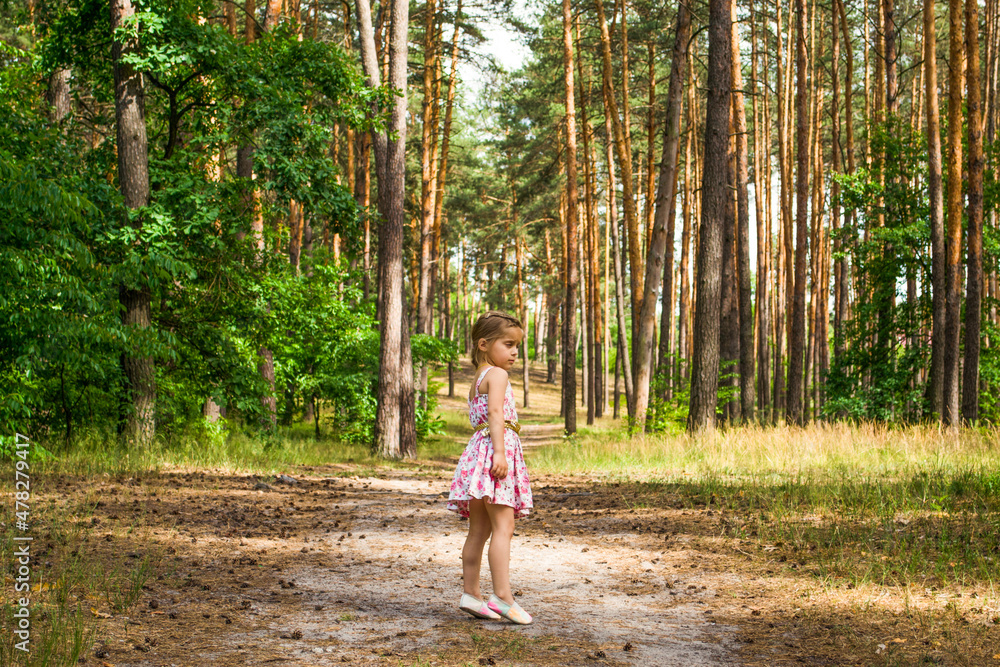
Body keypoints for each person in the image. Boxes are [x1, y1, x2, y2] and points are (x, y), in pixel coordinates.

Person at [446, 310, 534, 625]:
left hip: (476, 455)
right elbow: (496, 414)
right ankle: (502, 597)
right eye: (508, 344)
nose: (514, 352)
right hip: (494, 452)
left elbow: (483, 416)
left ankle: (471, 593)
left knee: (479, 530)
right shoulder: (497, 376)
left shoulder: (477, 380)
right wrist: (500, 453)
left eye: (517, 347)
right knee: (503, 528)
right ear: (484, 344)